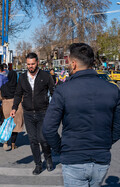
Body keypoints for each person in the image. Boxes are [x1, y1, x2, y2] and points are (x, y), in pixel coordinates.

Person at [43, 43, 120, 187]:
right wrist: (105, 143)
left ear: (73, 64)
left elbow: (48, 128)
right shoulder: (112, 90)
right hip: (101, 159)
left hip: (74, 158)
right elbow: (118, 125)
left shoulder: (63, 90)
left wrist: (61, 148)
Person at [10, 52, 54, 175]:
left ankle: (48, 158)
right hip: (28, 113)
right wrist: (14, 107)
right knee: (33, 140)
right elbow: (18, 94)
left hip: (43, 112)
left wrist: (54, 108)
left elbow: (53, 91)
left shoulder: (45, 76)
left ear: (37, 62)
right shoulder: (23, 77)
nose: (30, 66)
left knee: (43, 139)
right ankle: (38, 164)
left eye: (33, 64)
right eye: (28, 64)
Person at [0, 70, 24, 150]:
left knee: (6, 125)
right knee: (15, 127)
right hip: (16, 107)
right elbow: (22, 98)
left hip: (5, 107)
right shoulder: (19, 87)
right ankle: (13, 144)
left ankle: (5, 142)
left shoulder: (3, 87)